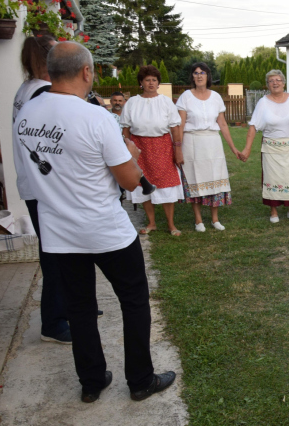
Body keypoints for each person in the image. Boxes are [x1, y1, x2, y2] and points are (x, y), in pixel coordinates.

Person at [14, 41, 175, 402]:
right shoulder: (95, 116)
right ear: (86, 72)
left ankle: (91, 381)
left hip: (58, 229)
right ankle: (140, 379)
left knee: (80, 309)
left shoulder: (26, 112)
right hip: (105, 228)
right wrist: (131, 154)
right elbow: (130, 181)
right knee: (134, 300)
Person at [12, 33, 70, 344]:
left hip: (34, 185)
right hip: (45, 188)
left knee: (57, 251)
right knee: (55, 254)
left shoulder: (26, 90)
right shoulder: (42, 93)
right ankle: (54, 322)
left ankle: (68, 308)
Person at [241, 69, 289, 222]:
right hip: (272, 148)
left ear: (283, 82)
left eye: (278, 80)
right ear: (267, 85)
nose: (275, 83)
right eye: (271, 81)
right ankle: (274, 212)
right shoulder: (263, 102)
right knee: (273, 178)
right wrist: (247, 148)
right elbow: (253, 126)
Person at [121, 65, 183, 236]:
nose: (151, 83)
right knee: (143, 184)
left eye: (154, 80)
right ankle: (152, 223)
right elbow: (126, 128)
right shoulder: (133, 102)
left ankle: (171, 224)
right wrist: (127, 148)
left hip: (162, 146)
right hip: (139, 148)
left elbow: (175, 128)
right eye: (147, 80)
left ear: (158, 83)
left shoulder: (165, 102)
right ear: (141, 82)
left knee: (166, 183)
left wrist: (178, 150)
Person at [177, 63, 239, 231]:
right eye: (195, 73)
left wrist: (233, 148)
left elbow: (223, 124)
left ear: (208, 76)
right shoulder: (185, 97)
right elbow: (181, 124)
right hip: (192, 142)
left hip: (213, 143)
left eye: (202, 73)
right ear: (192, 77)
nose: (199, 76)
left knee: (214, 177)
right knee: (194, 179)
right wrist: (177, 149)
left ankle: (215, 219)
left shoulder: (216, 97)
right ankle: (198, 220)